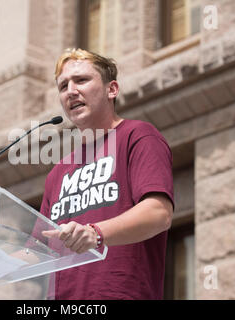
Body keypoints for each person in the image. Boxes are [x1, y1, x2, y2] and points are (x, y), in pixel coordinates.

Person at [39, 48, 174, 300]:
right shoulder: (57, 173)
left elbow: (159, 213)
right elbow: (37, 248)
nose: (70, 91)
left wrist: (95, 233)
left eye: (81, 80)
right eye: (63, 86)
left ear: (112, 89)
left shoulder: (138, 136)